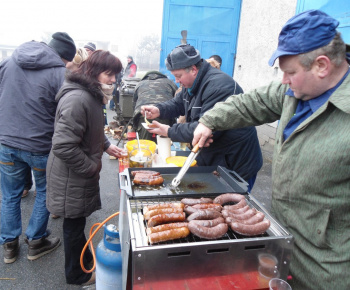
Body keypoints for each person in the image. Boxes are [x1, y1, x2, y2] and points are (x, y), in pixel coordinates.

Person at [192, 10, 350, 290]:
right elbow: (249, 103)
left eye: (290, 72)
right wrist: (208, 121)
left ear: (322, 66)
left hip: (328, 271)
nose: (283, 81)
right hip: (283, 244)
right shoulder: (293, 92)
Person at [46, 50, 126, 286]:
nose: (113, 80)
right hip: (71, 175)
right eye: (109, 74)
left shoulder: (91, 95)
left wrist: (107, 146)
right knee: (72, 226)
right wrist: (91, 167)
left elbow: (91, 131)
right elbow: (63, 145)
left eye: (116, 75)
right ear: (93, 72)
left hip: (76, 174)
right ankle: (76, 275)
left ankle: (84, 262)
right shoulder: (78, 99)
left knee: (77, 222)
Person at [0, 32, 76, 264]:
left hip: (7, 142)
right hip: (41, 146)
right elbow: (66, 112)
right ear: (63, 57)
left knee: (9, 195)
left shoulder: (8, 63)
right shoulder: (60, 73)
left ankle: (9, 245)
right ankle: (36, 240)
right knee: (44, 192)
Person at [142, 44, 262, 190]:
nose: (177, 81)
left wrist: (169, 131)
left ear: (193, 69)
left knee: (232, 207)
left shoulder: (220, 86)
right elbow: (178, 103)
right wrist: (158, 110)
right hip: (214, 159)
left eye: (178, 76)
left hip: (236, 163)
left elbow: (205, 129)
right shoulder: (192, 85)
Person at [132, 71, 178, 142]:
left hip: (144, 115)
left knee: (145, 146)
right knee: (164, 144)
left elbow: (134, 104)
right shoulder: (170, 83)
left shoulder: (139, 84)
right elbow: (177, 101)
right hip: (165, 114)